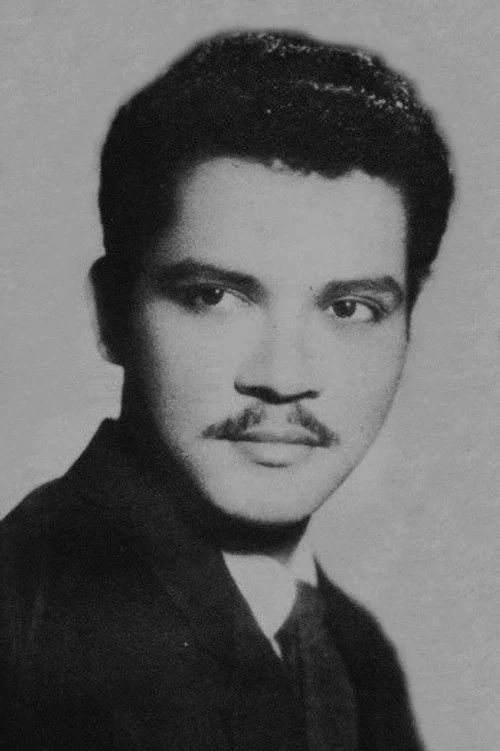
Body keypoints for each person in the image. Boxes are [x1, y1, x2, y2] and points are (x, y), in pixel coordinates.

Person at [0, 29, 454, 750]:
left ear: (407, 330)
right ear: (112, 314)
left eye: (350, 308)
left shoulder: (357, 653)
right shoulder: (22, 621)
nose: (282, 376)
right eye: (213, 296)